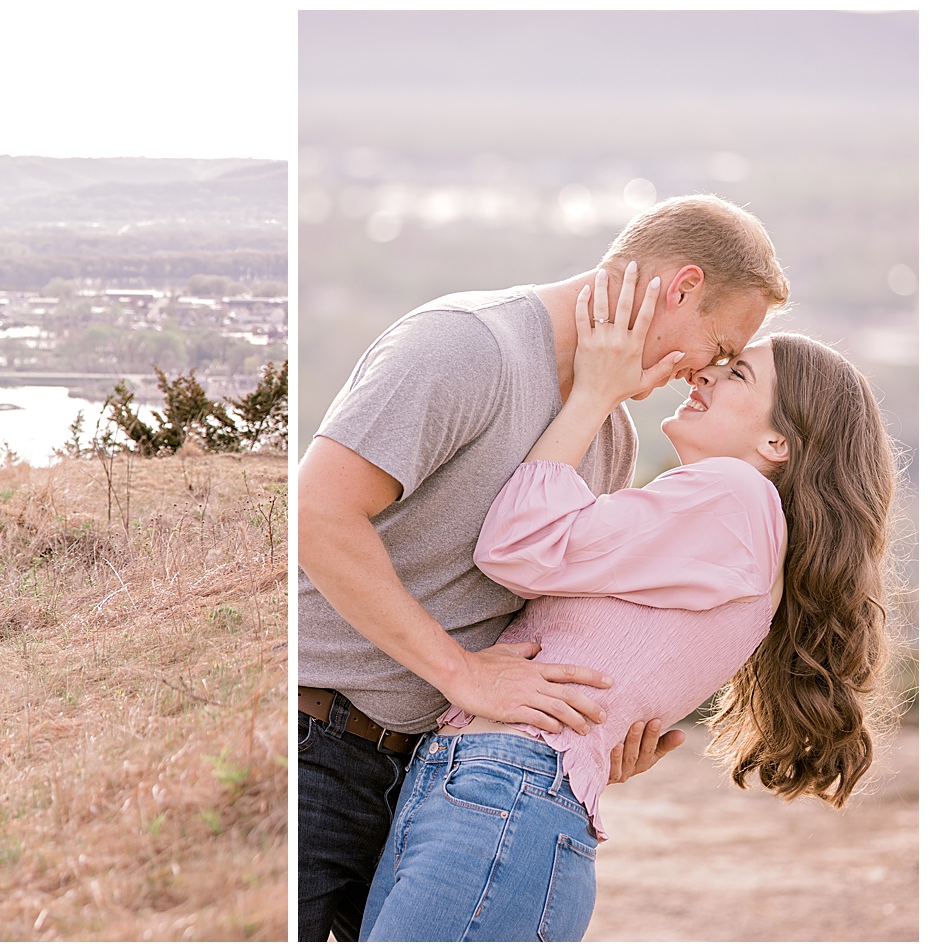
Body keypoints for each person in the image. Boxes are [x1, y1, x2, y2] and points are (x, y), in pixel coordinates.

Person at [294, 195, 788, 941]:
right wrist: (460, 671)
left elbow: (565, 603)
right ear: (681, 288)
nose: (703, 373)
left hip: (435, 776)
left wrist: (597, 730)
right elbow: (316, 514)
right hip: (312, 750)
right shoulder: (466, 346)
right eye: (717, 347)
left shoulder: (607, 434)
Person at [357, 270, 895, 941]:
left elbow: (517, 544)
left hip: (503, 792)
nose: (703, 378)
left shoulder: (732, 495)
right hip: (494, 790)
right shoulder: (738, 522)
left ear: (776, 445)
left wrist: (592, 395)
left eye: (736, 377)